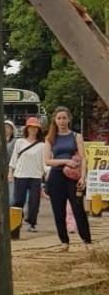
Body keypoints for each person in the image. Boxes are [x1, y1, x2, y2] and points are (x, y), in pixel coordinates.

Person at [43, 106, 92, 252]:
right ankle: (64, 242)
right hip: (56, 176)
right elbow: (47, 161)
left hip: (73, 176)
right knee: (59, 211)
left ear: (69, 119)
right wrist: (64, 161)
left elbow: (83, 158)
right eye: (59, 118)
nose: (62, 121)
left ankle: (87, 240)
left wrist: (83, 177)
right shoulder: (50, 138)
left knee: (78, 208)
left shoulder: (76, 136)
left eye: (64, 118)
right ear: (55, 120)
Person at [8, 117, 46, 232]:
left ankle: (32, 223)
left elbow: (44, 162)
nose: (33, 130)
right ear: (27, 128)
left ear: (38, 130)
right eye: (31, 127)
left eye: (35, 128)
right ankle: (16, 222)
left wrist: (47, 174)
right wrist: (10, 172)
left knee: (34, 201)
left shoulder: (42, 145)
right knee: (19, 200)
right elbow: (14, 159)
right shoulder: (20, 142)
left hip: (36, 176)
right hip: (20, 174)